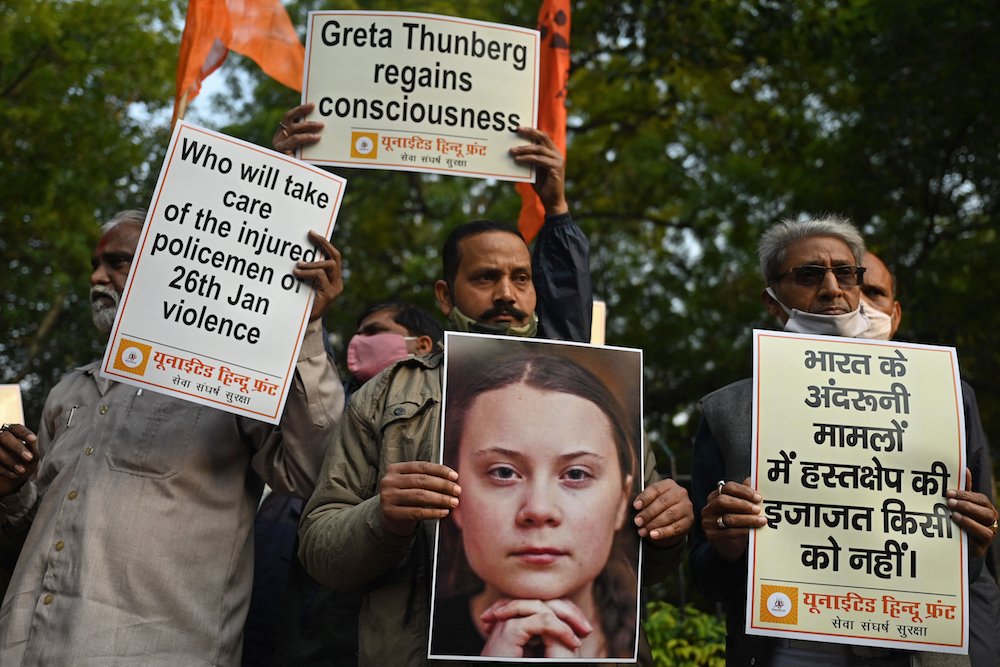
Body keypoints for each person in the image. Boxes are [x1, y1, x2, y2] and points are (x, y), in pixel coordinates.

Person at [296, 115, 693, 665]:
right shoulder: (389, 395)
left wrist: (670, 527)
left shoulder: (600, 392)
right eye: (485, 278)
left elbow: (642, 564)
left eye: (521, 278)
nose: (507, 293)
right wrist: (382, 517)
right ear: (445, 293)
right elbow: (320, 551)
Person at [0, 210, 345, 665]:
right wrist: (11, 489)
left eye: (117, 262)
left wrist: (304, 332)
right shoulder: (68, 391)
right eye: (95, 263)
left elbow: (316, 470)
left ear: (172, 266)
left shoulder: (227, 379)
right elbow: (31, 530)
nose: (96, 276)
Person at [689, 217, 1000, 666]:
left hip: (914, 648)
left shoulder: (942, 395)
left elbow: (969, 565)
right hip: (789, 651)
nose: (833, 288)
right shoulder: (727, 412)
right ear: (773, 302)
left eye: (847, 273)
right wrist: (726, 547)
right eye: (809, 275)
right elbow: (706, 576)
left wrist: (974, 538)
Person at [244, 301, 443, 667]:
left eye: (374, 332)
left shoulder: (444, 419)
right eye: (357, 331)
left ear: (422, 347)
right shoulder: (318, 414)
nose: (358, 340)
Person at [431, 348, 642, 659]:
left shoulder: (644, 640)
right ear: (456, 494)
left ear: (622, 501)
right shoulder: (413, 637)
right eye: (503, 472)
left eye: (576, 473)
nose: (539, 510)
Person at [861, 251, 1000, 667]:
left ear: (896, 313)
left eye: (876, 293)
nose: (865, 306)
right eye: (857, 292)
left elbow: (983, 527)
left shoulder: (948, 391)